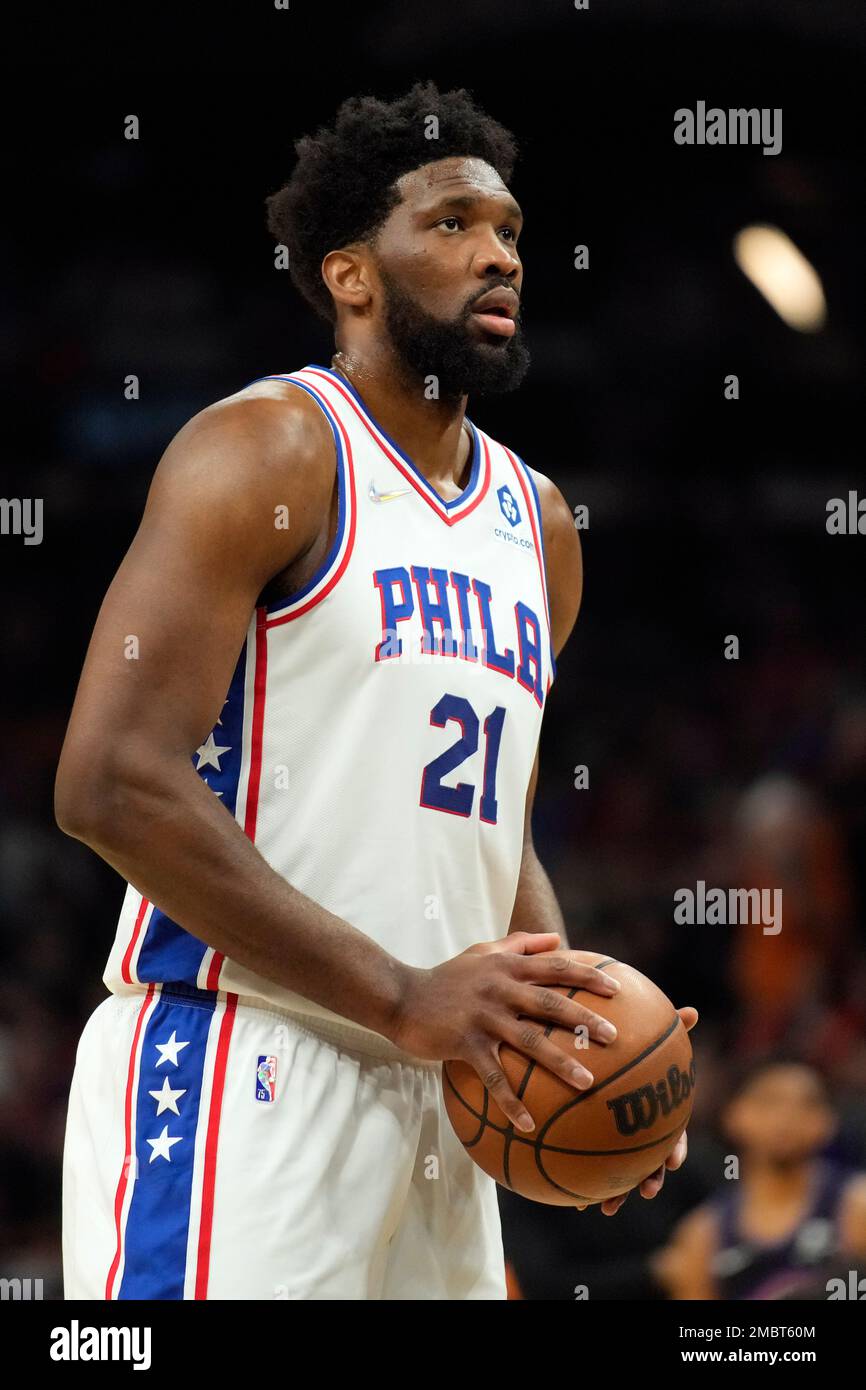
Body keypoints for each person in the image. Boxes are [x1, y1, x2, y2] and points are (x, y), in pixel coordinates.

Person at [55, 80, 696, 1300]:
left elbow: (485, 828)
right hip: (245, 1061)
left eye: (507, 229)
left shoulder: (539, 524)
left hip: (438, 1086)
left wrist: (575, 1043)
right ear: (350, 274)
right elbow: (108, 783)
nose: (497, 254)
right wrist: (400, 995)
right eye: (451, 223)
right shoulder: (267, 451)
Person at [655, 1056, 866, 1299]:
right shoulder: (702, 1234)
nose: (787, 1116)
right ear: (734, 1115)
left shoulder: (857, 1205)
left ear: (828, 1122)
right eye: (770, 1101)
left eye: (807, 1104)